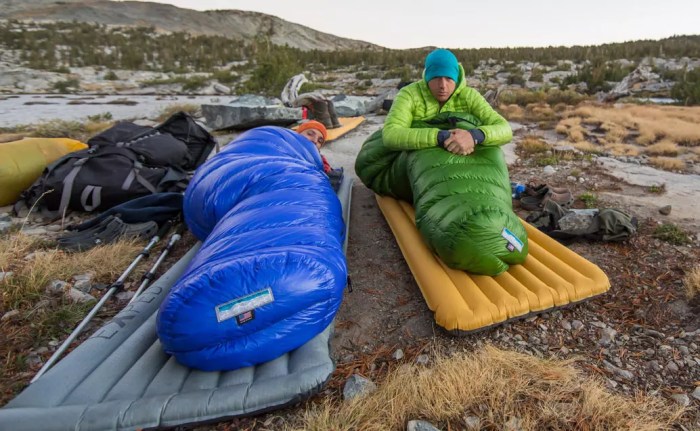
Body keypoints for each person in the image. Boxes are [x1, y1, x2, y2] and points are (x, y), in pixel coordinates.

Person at [382, 48, 512, 154]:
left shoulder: (469, 96)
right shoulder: (409, 94)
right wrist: (440, 137)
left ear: (456, 78)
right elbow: (391, 135)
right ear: (427, 78)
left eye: (449, 78)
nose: (443, 85)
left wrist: (474, 136)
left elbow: (505, 129)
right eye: (436, 77)